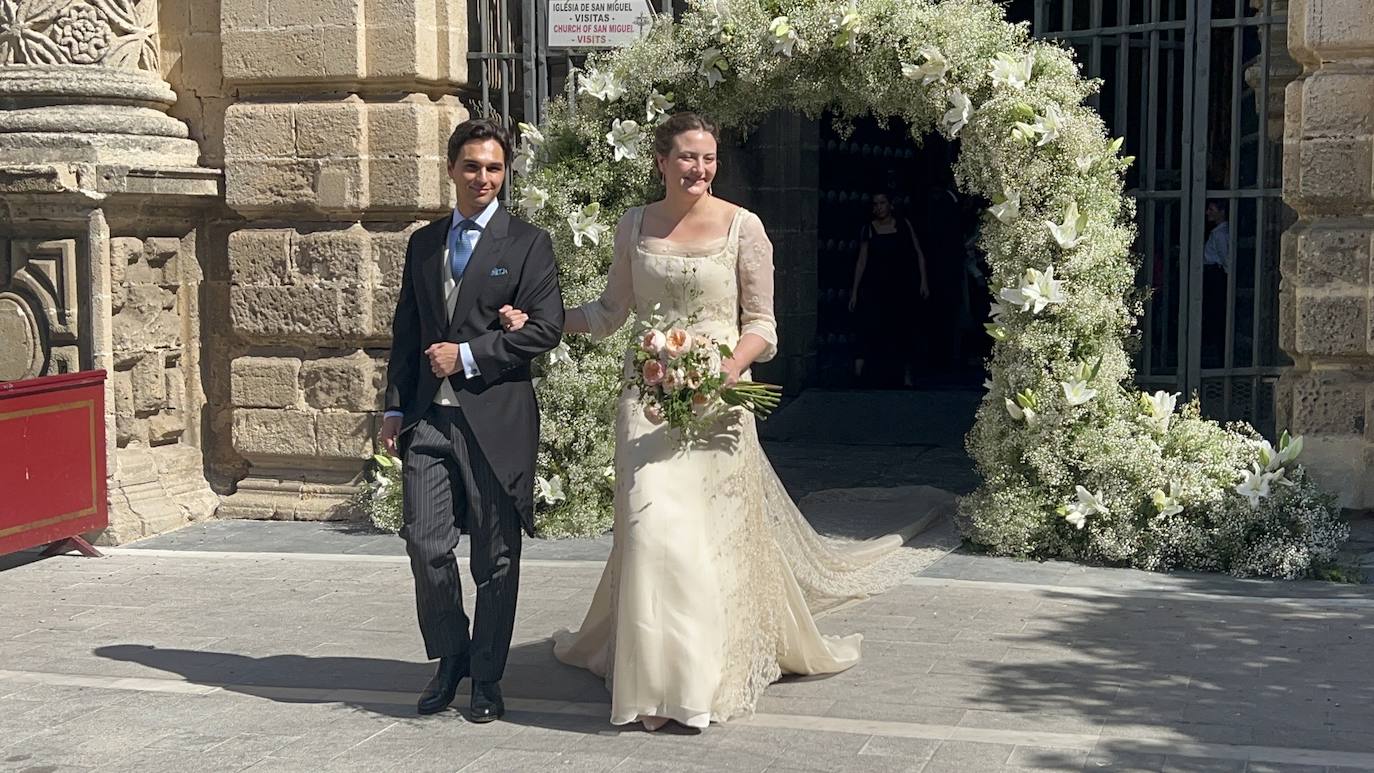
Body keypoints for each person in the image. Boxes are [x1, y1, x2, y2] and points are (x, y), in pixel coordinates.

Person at [500, 112, 924, 731]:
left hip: (720, 402)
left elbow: (762, 326)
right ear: (661, 162)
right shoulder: (633, 225)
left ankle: (696, 683)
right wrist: (539, 322)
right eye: (687, 157)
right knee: (650, 533)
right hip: (644, 401)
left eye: (709, 158)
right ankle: (650, 687)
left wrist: (719, 375)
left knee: (704, 541)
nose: (699, 169)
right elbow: (609, 312)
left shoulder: (743, 228)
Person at [378, 119, 564, 722]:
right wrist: (394, 403)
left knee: (495, 556)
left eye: (494, 168)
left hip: (495, 421)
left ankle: (486, 676)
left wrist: (469, 354)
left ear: (505, 174)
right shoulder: (424, 242)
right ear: (452, 168)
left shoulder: (528, 243)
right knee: (425, 543)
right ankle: (451, 655)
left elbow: (547, 327)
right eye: (472, 166)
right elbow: (408, 330)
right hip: (429, 420)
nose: (483, 178)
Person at [848, 191, 929, 387]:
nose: (879, 207)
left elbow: (918, 252)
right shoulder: (869, 228)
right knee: (871, 326)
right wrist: (854, 290)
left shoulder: (903, 225)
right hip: (875, 285)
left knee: (903, 328)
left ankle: (906, 374)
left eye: (882, 203)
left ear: (890, 205)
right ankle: (863, 374)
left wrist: (923, 280)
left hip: (900, 285)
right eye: (875, 204)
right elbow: (862, 260)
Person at [1201, 199, 1231, 367]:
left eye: (1211, 209)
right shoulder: (1220, 232)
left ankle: (1220, 359)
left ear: (1222, 211)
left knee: (1215, 316)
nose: (1207, 213)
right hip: (1216, 275)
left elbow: (1226, 259)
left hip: (1215, 276)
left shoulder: (1219, 234)